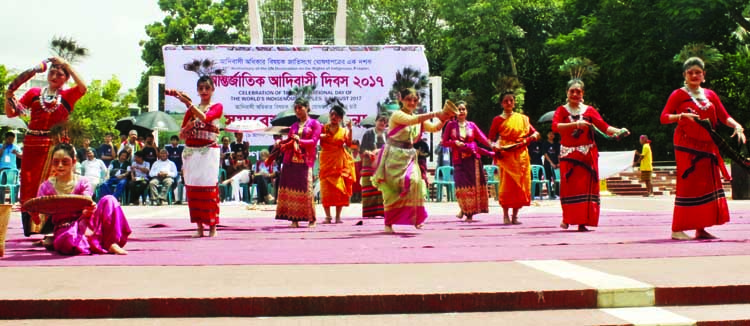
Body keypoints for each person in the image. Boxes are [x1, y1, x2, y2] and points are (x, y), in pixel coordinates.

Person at [660, 57, 744, 240]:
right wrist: (680, 116)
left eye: (698, 72)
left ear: (704, 75)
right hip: (686, 146)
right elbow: (664, 117)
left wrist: (737, 126)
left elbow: (724, 116)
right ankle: (677, 228)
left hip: (708, 146)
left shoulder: (710, 95)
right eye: (690, 72)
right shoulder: (678, 94)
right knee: (688, 185)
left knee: (706, 186)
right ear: (684, 75)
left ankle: (701, 227)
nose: (694, 75)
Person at [4, 56, 87, 237]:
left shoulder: (67, 96)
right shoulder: (34, 92)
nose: (55, 75)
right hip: (32, 145)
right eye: (52, 71)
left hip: (55, 147)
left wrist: (67, 65)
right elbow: (11, 113)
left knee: (53, 185)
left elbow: (83, 88)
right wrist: (8, 95)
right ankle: (33, 229)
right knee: (29, 185)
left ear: (66, 78)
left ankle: (53, 229)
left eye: (60, 73)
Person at [372, 88, 453, 233]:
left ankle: (416, 218)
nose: (412, 102)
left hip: (409, 156)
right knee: (393, 190)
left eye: (415, 100)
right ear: (401, 100)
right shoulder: (397, 115)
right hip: (394, 156)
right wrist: (436, 113)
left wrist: (444, 119)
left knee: (415, 183)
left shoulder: (418, 119)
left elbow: (434, 128)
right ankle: (389, 223)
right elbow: (410, 120)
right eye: (408, 99)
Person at [552, 79, 628, 232]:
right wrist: (576, 125)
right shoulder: (561, 110)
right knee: (569, 188)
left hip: (587, 155)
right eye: (572, 91)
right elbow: (555, 127)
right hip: (569, 155)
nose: (575, 94)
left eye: (578, 91)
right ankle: (568, 218)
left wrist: (619, 130)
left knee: (585, 190)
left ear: (583, 94)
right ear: (567, 93)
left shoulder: (589, 110)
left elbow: (604, 127)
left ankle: (583, 221)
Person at [36, 143, 130, 255]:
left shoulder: (83, 181)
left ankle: (111, 243)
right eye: (56, 162)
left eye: (65, 162)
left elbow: (86, 202)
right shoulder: (46, 186)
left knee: (109, 199)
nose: (60, 166)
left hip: (87, 221)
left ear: (74, 162)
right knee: (69, 240)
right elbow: (38, 218)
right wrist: (32, 213)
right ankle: (95, 241)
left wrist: (89, 209)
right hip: (65, 227)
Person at [173, 75, 223, 238]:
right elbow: (181, 135)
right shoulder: (190, 112)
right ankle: (199, 227)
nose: (204, 91)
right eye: (201, 88)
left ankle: (212, 227)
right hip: (192, 152)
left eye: (207, 88)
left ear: (212, 89)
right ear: (197, 90)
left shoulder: (217, 106)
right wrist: (188, 126)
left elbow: (206, 118)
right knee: (193, 189)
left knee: (209, 189)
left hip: (208, 152)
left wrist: (188, 103)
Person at [489, 90, 540, 225]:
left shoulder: (522, 119)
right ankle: (505, 215)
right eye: (506, 101)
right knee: (506, 186)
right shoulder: (498, 120)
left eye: (511, 100)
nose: (509, 103)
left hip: (521, 155)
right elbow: (490, 139)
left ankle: (515, 216)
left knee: (520, 187)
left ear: (514, 102)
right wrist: (495, 146)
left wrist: (534, 135)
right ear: (501, 104)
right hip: (506, 155)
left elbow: (534, 132)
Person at [275, 87, 322, 228]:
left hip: (305, 160)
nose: (297, 111)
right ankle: (294, 219)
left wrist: (299, 140)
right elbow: (289, 142)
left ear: (307, 108)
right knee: (291, 190)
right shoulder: (294, 125)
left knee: (305, 189)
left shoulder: (315, 124)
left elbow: (313, 142)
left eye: (300, 108)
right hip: (290, 161)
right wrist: (281, 143)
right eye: (295, 108)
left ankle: (311, 219)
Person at [442, 101, 493, 222]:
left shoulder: (472, 125)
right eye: (459, 109)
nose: (461, 111)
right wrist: (454, 143)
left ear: (467, 111)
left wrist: (494, 146)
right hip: (458, 160)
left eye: (463, 109)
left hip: (472, 161)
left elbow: (483, 139)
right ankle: (464, 209)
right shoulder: (450, 125)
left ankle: (469, 213)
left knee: (472, 187)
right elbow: (444, 142)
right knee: (461, 186)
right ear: (455, 112)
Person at [318, 98, 356, 224]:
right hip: (326, 161)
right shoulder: (323, 128)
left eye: (336, 115)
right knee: (326, 189)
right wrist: (320, 136)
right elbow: (318, 140)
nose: (333, 117)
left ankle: (338, 217)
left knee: (340, 190)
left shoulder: (344, 130)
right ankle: (328, 217)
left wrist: (350, 130)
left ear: (340, 118)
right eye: (332, 114)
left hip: (339, 161)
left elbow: (349, 144)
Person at [0, 132, 22, 204]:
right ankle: (1, 201)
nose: (10, 141)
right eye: (9, 139)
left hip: (12, 169)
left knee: (14, 185)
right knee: (2, 185)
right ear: (5, 139)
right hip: (2, 168)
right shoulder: (1, 146)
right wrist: (3, 148)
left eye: (12, 139)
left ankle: (12, 201)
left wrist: (16, 153)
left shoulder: (15, 147)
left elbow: (21, 156)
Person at [542, 131, 561, 196]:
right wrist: (551, 163)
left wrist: (559, 163)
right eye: (550, 134)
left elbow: (558, 154)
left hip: (556, 163)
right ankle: (549, 192)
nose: (551, 135)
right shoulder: (545, 143)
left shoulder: (556, 144)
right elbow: (545, 154)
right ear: (547, 135)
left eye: (552, 134)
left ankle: (557, 193)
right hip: (548, 163)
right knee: (548, 178)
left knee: (557, 178)